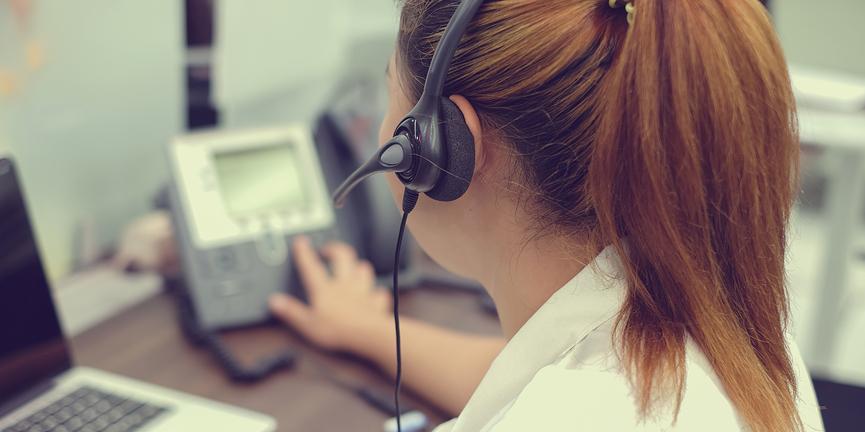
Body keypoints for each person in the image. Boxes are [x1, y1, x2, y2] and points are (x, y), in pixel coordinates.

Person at [268, 0, 825, 431]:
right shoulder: (722, 328)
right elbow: (508, 373)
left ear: (444, 145)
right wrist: (362, 330)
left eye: (392, 87)